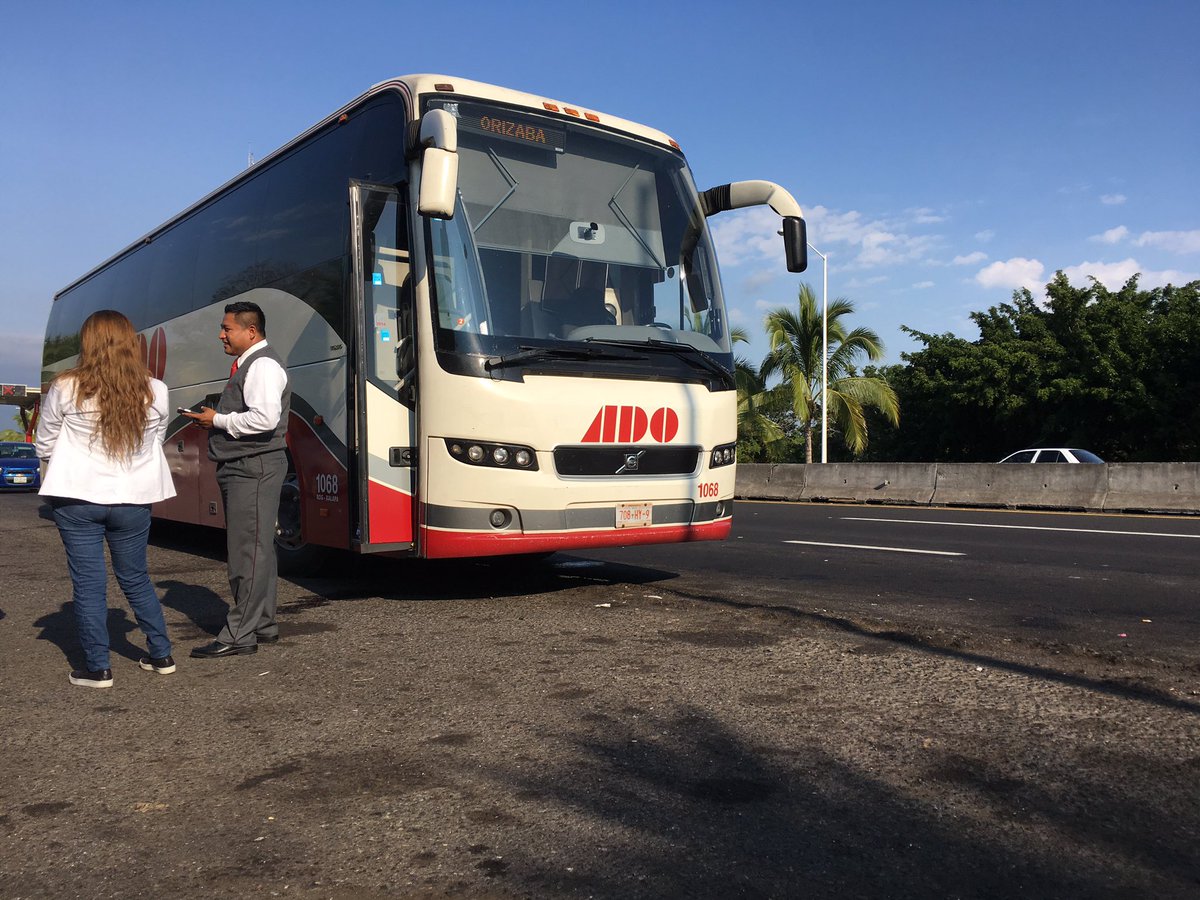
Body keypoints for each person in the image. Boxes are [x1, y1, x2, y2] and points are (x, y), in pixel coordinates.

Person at [37, 310, 178, 688]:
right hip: (133, 498)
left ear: (88, 342)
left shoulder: (66, 386)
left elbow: (45, 441)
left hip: (78, 498)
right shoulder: (156, 390)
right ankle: (161, 654)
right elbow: (157, 440)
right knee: (136, 577)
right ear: (131, 342)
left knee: (88, 584)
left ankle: (98, 668)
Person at [183, 300, 290, 658]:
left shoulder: (262, 366)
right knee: (259, 549)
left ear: (251, 331)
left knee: (247, 552)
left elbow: (263, 420)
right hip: (250, 466)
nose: (221, 334)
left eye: (227, 328)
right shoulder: (254, 364)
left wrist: (217, 420)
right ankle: (261, 623)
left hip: (252, 467)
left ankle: (239, 634)